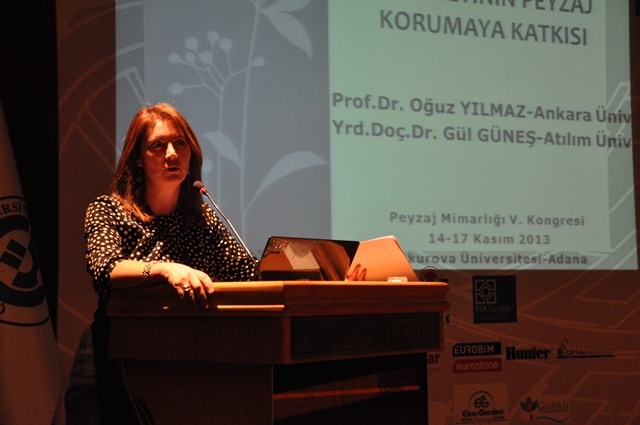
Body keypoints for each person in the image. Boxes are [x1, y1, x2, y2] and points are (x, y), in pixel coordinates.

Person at [65, 102, 256, 424]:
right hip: (115, 361)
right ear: (138, 158)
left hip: (186, 365)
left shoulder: (203, 219)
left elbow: (249, 276)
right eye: (158, 145)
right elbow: (106, 269)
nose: (172, 154)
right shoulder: (109, 210)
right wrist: (164, 269)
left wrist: (317, 271)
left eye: (180, 143)